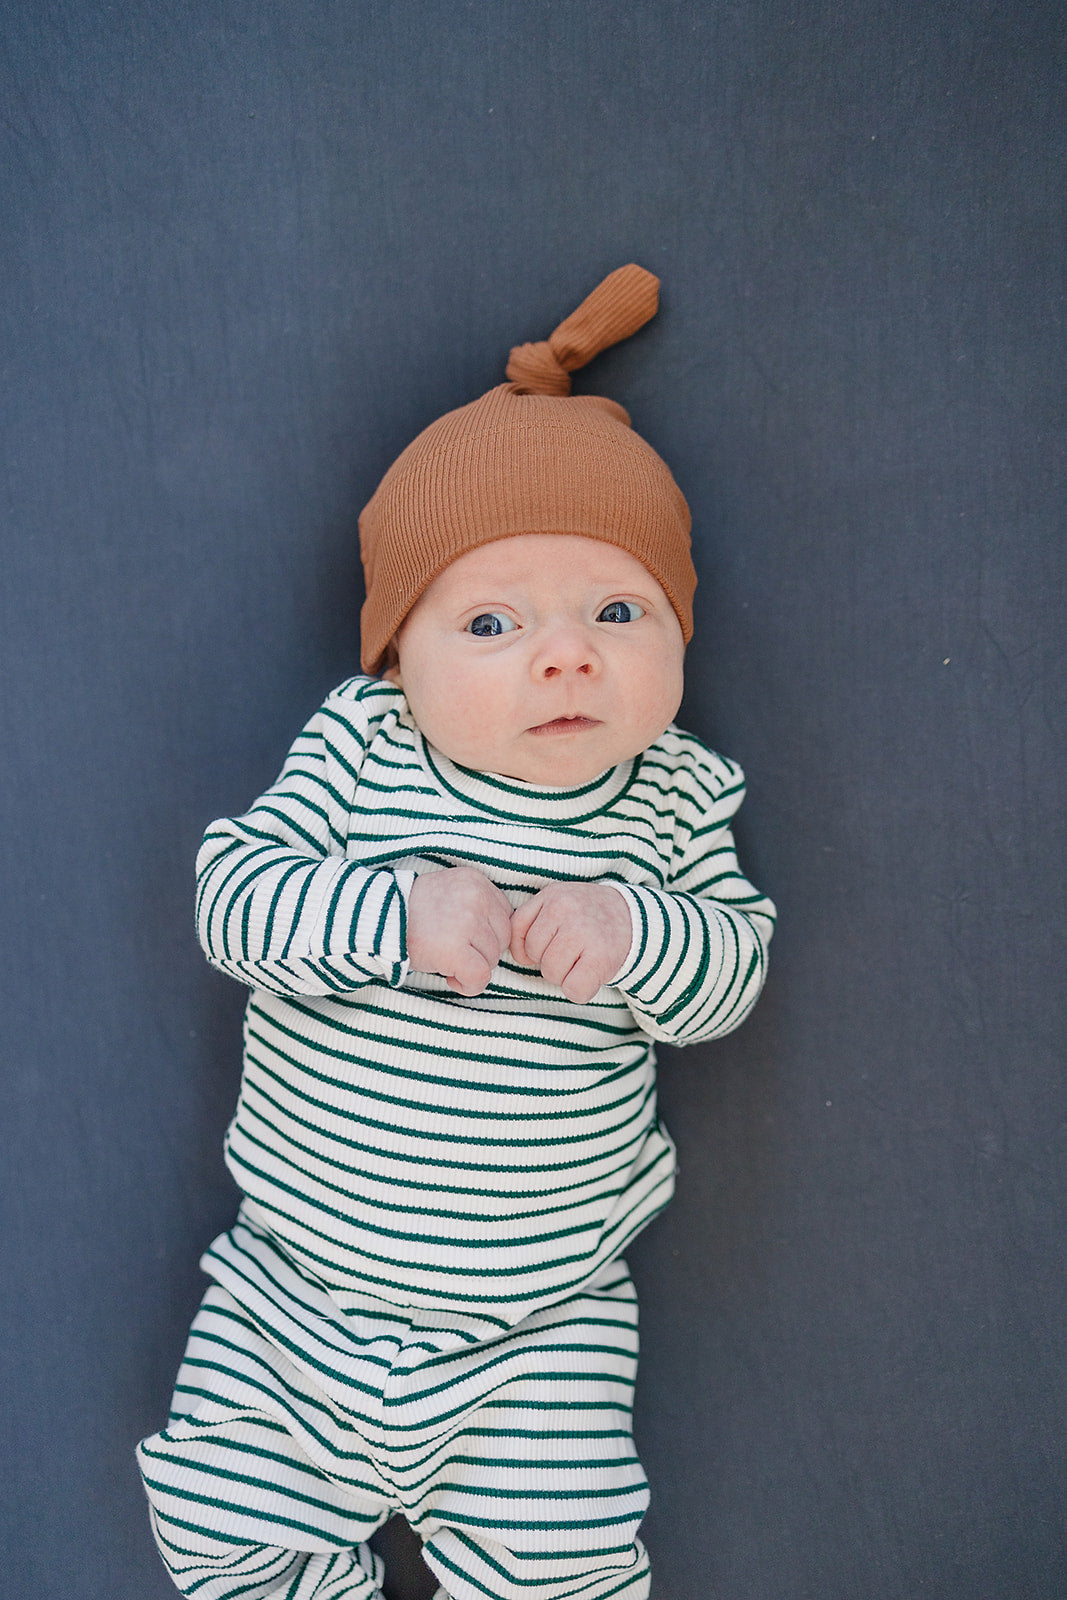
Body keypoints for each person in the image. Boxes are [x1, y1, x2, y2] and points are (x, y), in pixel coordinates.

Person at [137, 264, 776, 1600]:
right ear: (400, 658)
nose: (565, 655)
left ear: (676, 636)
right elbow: (229, 900)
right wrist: (393, 907)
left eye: (619, 611)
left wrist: (642, 930)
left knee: (567, 1568)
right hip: (294, 1301)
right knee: (221, 1521)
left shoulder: (673, 796)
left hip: (540, 1335)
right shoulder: (364, 754)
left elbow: (732, 972)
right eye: (492, 621)